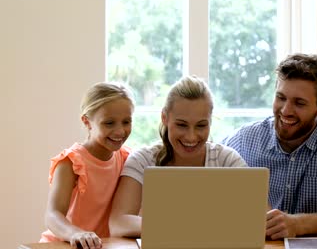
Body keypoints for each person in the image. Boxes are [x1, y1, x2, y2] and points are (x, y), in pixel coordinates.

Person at [221, 53, 317, 240]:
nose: (285, 110)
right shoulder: (246, 138)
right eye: (281, 97)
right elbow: (203, 162)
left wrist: (296, 224)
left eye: (299, 103)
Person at [109, 75, 247, 238]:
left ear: (210, 122)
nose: (191, 137)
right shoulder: (142, 160)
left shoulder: (227, 160)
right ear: (164, 118)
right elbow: (118, 223)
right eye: (181, 125)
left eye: (201, 126)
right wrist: (187, 227)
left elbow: (260, 219)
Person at [40, 82, 134, 249]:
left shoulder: (126, 158)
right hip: (64, 245)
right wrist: (75, 233)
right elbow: (52, 215)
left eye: (126, 122)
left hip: (99, 246)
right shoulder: (72, 162)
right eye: (109, 123)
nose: (120, 131)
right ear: (87, 122)